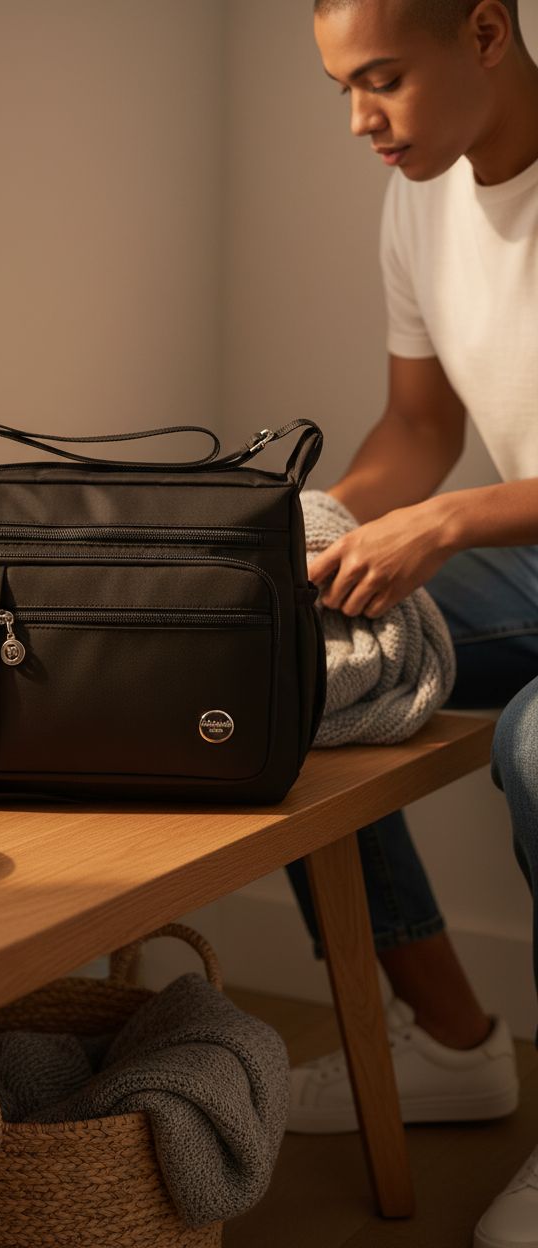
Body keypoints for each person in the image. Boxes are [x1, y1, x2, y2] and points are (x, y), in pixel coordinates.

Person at [283, 1, 538, 1244]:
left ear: (484, 33)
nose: (359, 120)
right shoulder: (417, 196)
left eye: (379, 79)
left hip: (505, 538)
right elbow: (420, 435)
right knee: (270, 659)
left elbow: (449, 492)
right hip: (527, 557)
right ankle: (449, 1041)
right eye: (342, 87)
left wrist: (444, 524)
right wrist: (305, 526)